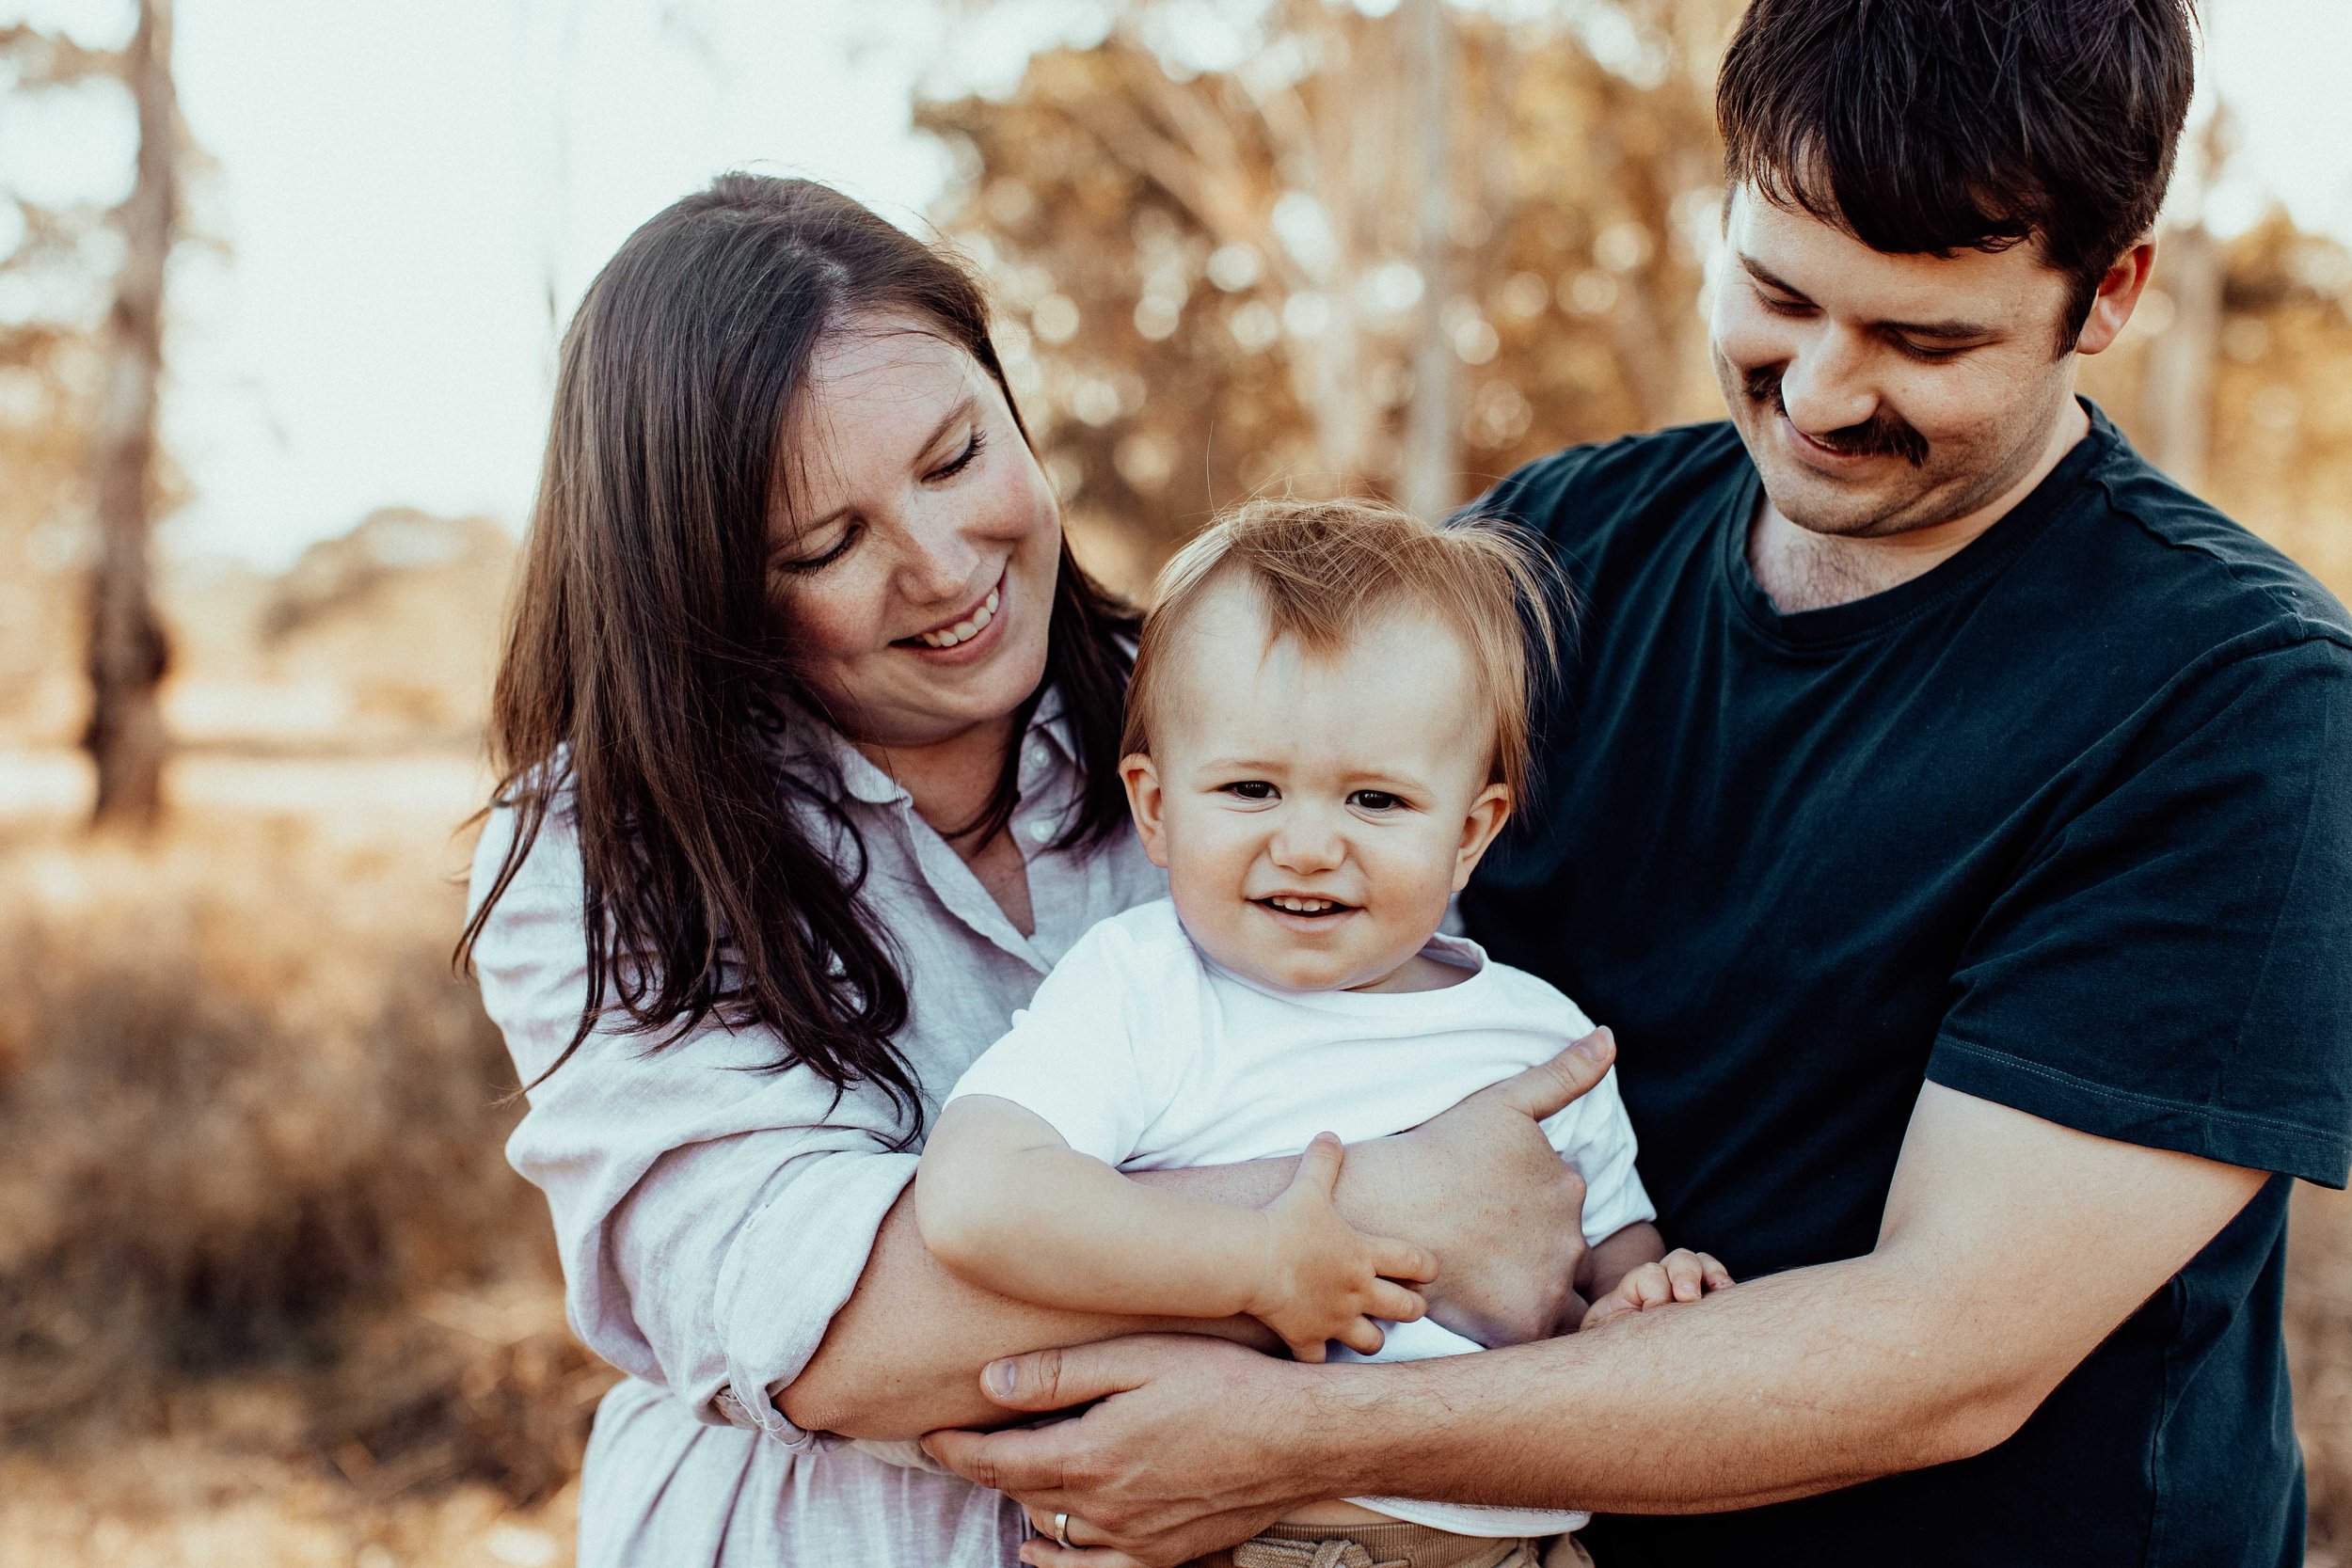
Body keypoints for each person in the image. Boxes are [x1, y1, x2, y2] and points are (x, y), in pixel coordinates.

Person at [919, 3, 2352, 1565]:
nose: (1815, 390)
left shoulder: (2234, 700)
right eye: (1777, 293)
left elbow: (1945, 1351)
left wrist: (1280, 1444)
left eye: (1925, 341)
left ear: (2112, 293)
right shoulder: (1548, 560)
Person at [460, 175, 1603, 1568]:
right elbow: (834, 1332)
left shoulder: (1232, 723)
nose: (944, 567)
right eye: (829, 543)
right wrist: (1385, 1210)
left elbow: (1464, 1128)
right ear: (706, 587)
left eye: (956, 458)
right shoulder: (611, 849)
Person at [917, 499, 1732, 1568]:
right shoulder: (1143, 989)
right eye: (1251, 787)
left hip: (1505, 1541)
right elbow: (977, 1196)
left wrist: (1641, 1299)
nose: (1306, 844)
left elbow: (1597, 1273)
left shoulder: (1540, 1037)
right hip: (1227, 1536)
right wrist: (1255, 1258)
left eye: (1377, 800)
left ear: (1470, 832)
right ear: (1156, 809)